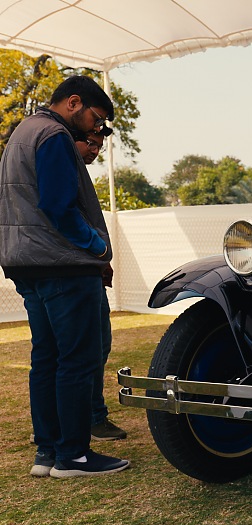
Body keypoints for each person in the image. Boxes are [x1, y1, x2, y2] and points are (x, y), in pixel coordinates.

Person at [0, 75, 130, 477]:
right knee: (78, 360)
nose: (97, 129)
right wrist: (97, 246)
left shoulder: (23, 131)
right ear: (74, 102)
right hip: (62, 264)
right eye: (97, 118)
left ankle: (48, 454)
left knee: (48, 359)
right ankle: (74, 455)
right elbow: (58, 206)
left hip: (28, 263)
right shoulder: (54, 135)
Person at [73, 126, 127, 442]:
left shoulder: (77, 171)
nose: (95, 150)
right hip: (77, 271)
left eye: (99, 145)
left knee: (91, 347)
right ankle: (92, 418)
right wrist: (99, 253)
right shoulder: (66, 169)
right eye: (90, 142)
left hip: (88, 269)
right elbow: (69, 220)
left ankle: (58, 422)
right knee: (90, 348)